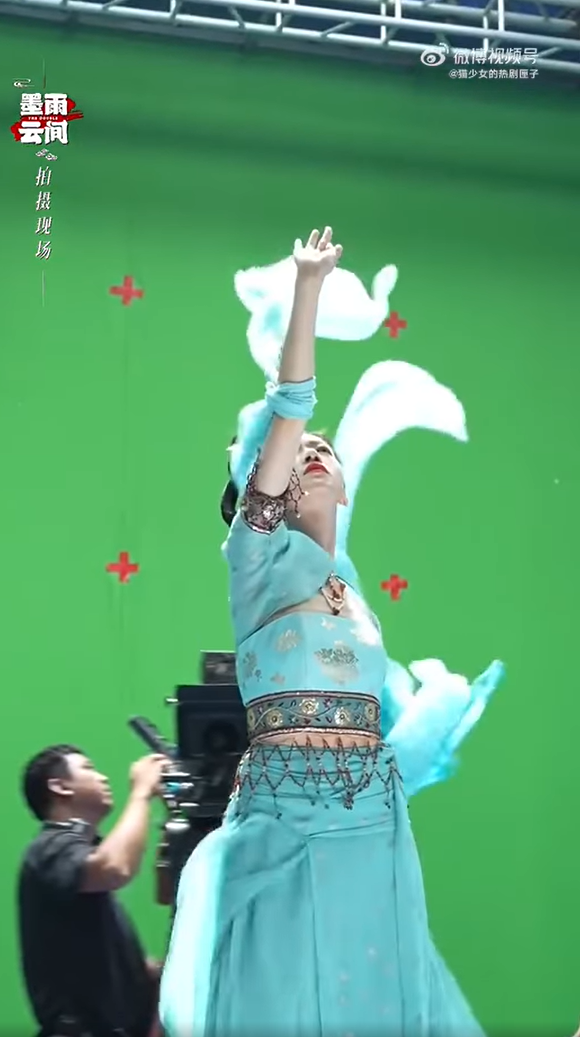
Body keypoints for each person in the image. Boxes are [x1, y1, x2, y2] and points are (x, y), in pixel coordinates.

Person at [159, 227, 499, 1037]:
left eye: (323, 453)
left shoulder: (354, 598)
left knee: (377, 1007)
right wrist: (308, 290)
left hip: (375, 830)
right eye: (295, 454)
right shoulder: (258, 564)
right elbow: (291, 406)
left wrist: (438, 707)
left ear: (344, 483)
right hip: (286, 822)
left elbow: (389, 714)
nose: (311, 453)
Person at [18, 744, 167, 1037]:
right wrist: (140, 794)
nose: (103, 777)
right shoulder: (48, 848)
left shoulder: (79, 856)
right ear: (59, 786)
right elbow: (114, 868)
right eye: (88, 768)